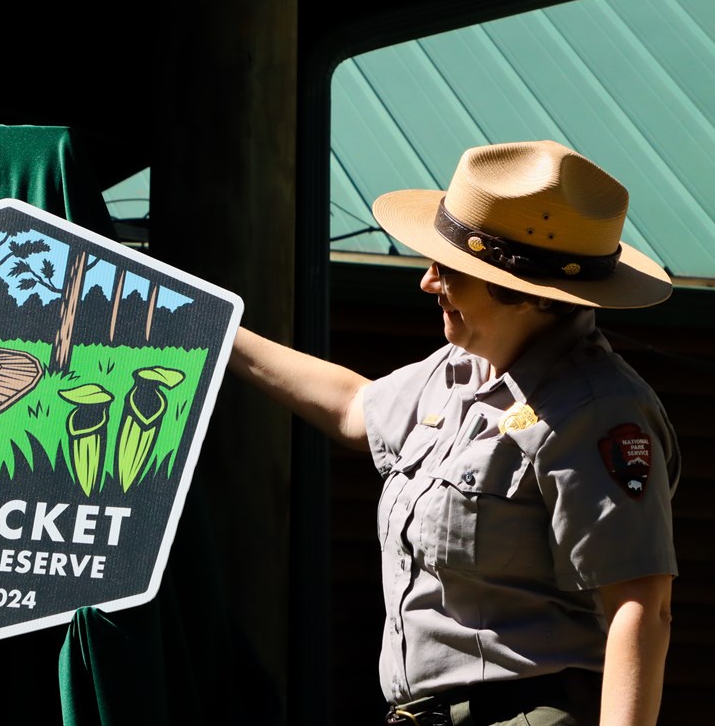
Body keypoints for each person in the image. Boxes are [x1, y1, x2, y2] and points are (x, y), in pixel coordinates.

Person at [230, 140, 678, 725]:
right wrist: (211, 328)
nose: (427, 282)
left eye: (449, 270)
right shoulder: (458, 371)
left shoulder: (597, 411)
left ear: (521, 292)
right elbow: (352, 405)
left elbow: (641, 607)